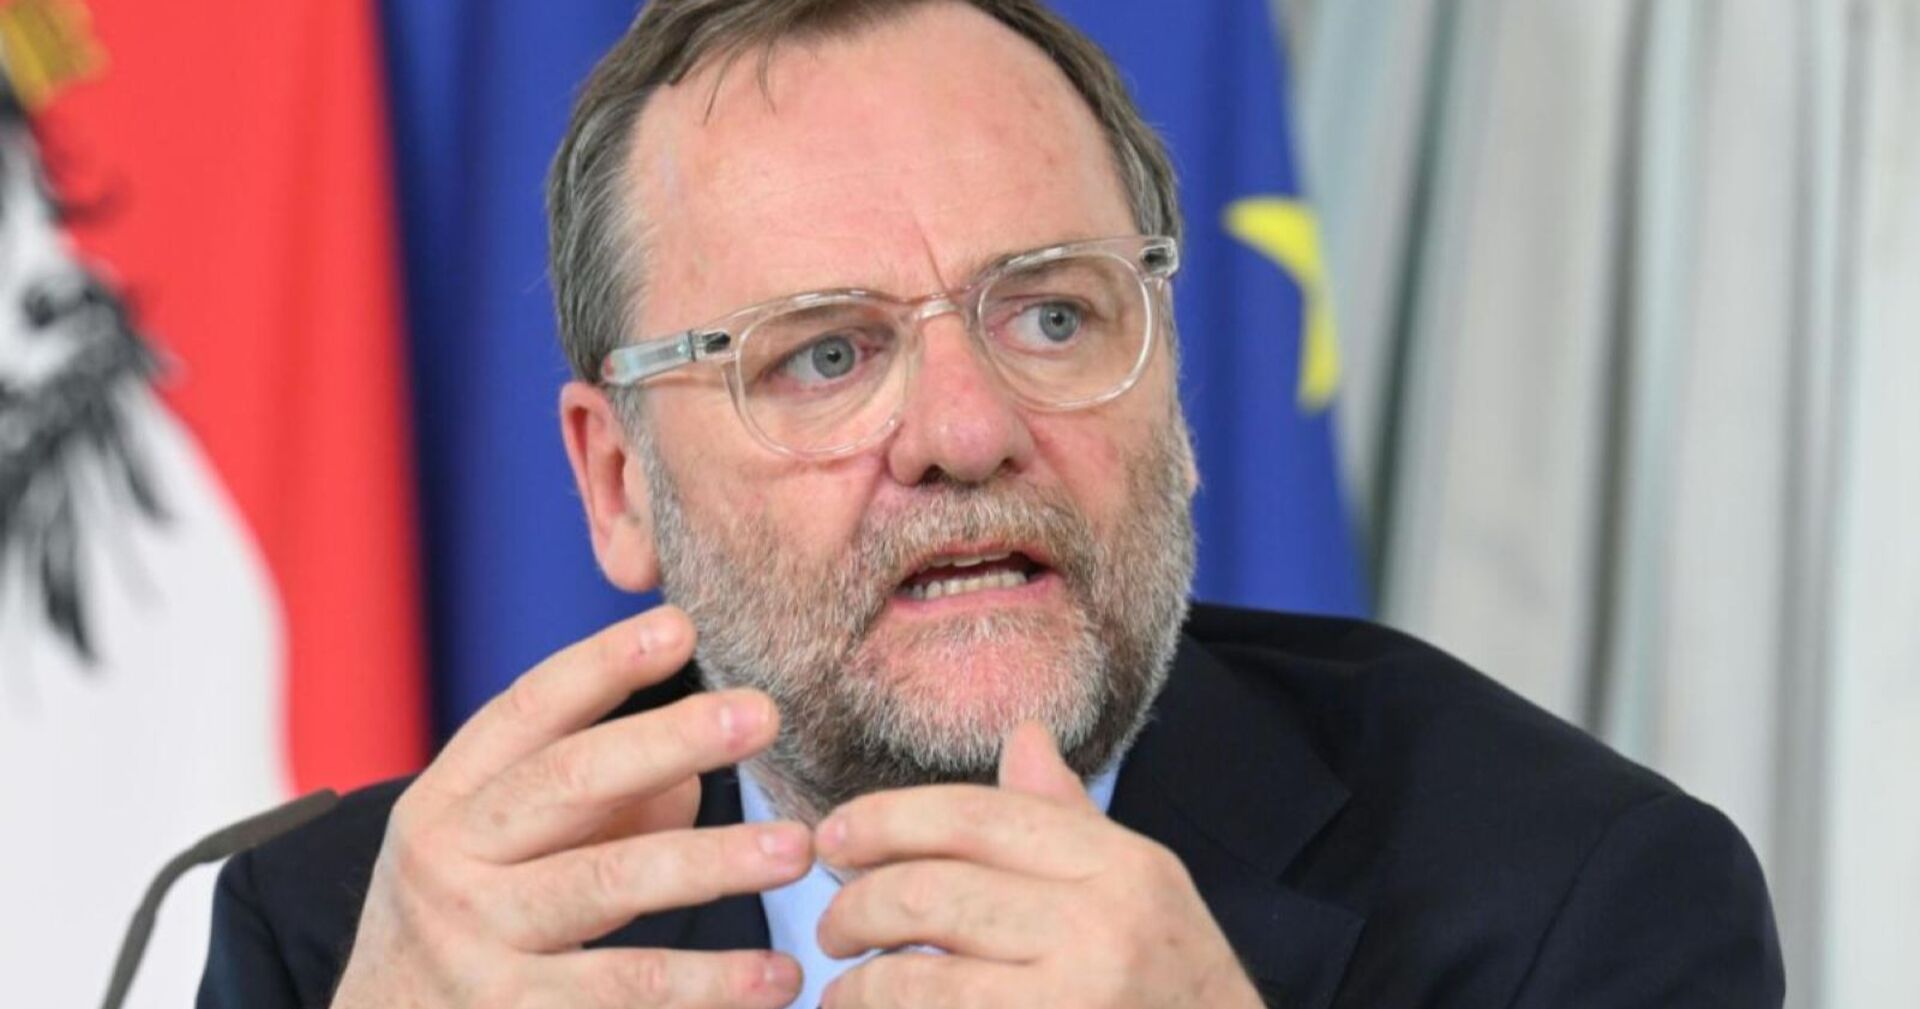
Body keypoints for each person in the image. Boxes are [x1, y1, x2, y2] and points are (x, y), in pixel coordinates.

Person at [198, 1, 1785, 1007]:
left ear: (1168, 379)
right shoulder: (358, 936)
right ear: (619, 481)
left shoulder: (1576, 908)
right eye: (823, 353)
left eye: (1052, 316)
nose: (965, 431)